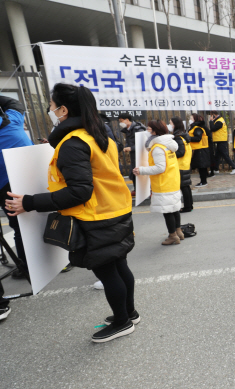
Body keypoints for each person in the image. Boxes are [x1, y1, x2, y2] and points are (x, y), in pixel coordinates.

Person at [7, 83, 137, 343]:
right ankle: (129, 313)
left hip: (95, 216)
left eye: (52, 106)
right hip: (115, 208)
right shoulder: (100, 135)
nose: (50, 110)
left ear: (63, 110)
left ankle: (122, 322)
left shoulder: (73, 143)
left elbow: (79, 192)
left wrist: (30, 202)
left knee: (107, 271)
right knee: (119, 264)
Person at [0, 95, 33, 320]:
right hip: (22, 180)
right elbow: (14, 103)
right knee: (27, 223)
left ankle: (25, 267)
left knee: (18, 225)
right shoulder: (11, 120)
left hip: (6, 184)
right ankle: (35, 266)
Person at [133, 120, 183, 245]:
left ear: (155, 131)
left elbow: (160, 168)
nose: (147, 130)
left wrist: (141, 170)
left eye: (149, 128)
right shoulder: (168, 144)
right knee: (174, 208)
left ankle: (173, 236)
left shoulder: (157, 148)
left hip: (163, 183)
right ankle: (179, 232)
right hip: (173, 181)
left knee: (168, 211)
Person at [169, 117, 193, 213]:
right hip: (185, 164)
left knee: (184, 187)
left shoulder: (178, 137)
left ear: (175, 125)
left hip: (180, 165)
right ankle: (189, 205)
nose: (169, 125)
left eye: (170, 123)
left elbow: (181, 152)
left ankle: (187, 207)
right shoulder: (183, 135)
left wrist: (170, 154)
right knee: (186, 186)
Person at [118, 113, 146, 196]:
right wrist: (127, 147)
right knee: (134, 171)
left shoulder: (138, 129)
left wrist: (131, 148)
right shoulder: (127, 129)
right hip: (134, 155)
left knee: (141, 171)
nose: (120, 123)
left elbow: (142, 143)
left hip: (141, 155)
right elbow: (128, 141)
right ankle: (137, 189)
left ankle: (145, 190)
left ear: (127, 120)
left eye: (121, 121)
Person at [209, 111, 235, 175]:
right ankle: (216, 169)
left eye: (211, 115)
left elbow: (213, 128)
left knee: (225, 155)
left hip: (221, 141)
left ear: (214, 115)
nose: (210, 117)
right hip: (220, 140)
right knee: (217, 156)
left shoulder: (219, 121)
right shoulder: (218, 120)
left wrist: (211, 121)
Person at [188, 113, 210, 188]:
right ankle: (203, 181)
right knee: (201, 167)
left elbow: (198, 138)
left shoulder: (197, 128)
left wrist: (188, 138)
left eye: (191, 119)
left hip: (200, 149)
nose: (190, 120)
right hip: (198, 149)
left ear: (195, 119)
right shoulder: (194, 128)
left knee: (202, 167)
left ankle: (203, 182)